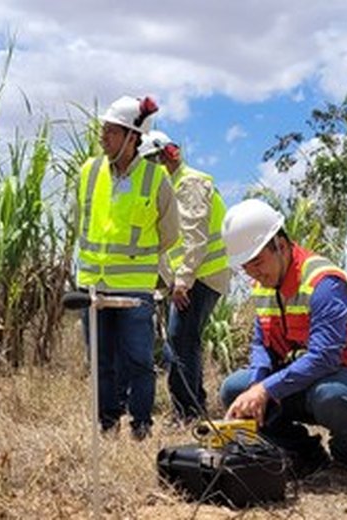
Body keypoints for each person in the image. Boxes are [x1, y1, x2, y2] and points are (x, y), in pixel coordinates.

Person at [219, 199, 347, 485]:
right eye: (246, 268)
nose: (254, 274)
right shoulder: (263, 286)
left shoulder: (323, 284)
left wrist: (266, 389)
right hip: (308, 379)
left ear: (281, 245)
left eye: (258, 262)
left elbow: (325, 358)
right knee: (235, 389)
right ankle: (306, 456)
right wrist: (257, 385)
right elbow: (262, 343)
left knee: (332, 395)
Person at [75, 95, 179, 440]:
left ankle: (141, 424)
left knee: (137, 360)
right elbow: (83, 222)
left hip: (134, 287)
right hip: (92, 283)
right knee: (101, 360)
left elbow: (169, 233)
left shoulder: (156, 179)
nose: (103, 136)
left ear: (133, 137)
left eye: (111, 131)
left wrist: (137, 259)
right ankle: (107, 423)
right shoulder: (89, 172)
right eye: (103, 129)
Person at [138, 130, 230, 425]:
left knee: (180, 341)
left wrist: (183, 280)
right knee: (183, 342)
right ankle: (191, 406)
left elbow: (194, 238)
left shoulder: (189, 184)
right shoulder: (167, 188)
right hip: (188, 279)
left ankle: (188, 412)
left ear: (164, 157)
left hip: (200, 277)